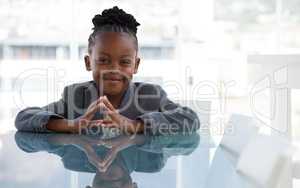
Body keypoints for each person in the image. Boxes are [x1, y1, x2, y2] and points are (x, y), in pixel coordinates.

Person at [14, 6, 200, 137]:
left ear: (135, 65)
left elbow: (191, 120)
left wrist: (134, 125)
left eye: (125, 62)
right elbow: (23, 118)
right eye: (103, 60)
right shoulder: (76, 96)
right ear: (88, 62)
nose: (113, 69)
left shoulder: (150, 96)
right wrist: (72, 125)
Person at [15, 131, 200, 188]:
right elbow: (191, 141)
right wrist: (137, 138)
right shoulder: (151, 161)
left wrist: (70, 137)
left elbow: (23, 140)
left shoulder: (74, 157)